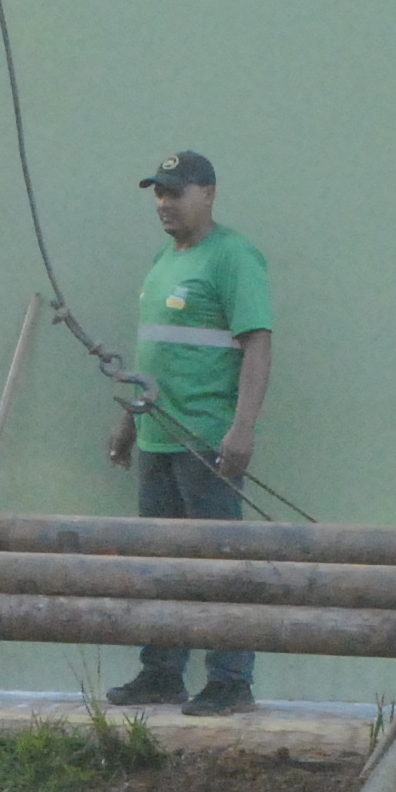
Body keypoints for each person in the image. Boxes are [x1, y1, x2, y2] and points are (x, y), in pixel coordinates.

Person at [104, 149, 273, 716]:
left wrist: (241, 429)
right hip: (156, 438)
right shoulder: (163, 260)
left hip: (206, 441)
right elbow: (152, 351)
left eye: (175, 192)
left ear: (209, 194)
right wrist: (128, 419)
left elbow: (257, 344)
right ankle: (161, 673)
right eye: (158, 193)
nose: (164, 204)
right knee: (159, 567)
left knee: (219, 564)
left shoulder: (232, 257)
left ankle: (230, 680)